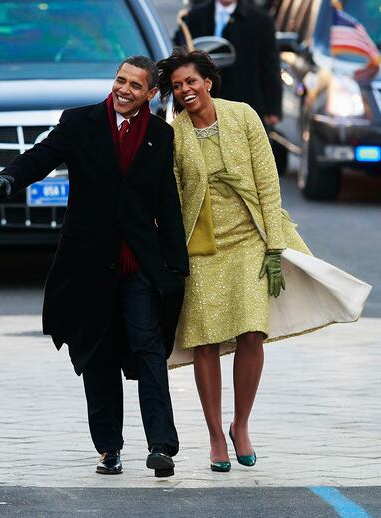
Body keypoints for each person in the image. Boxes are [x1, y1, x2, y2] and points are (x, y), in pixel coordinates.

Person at [157, 48, 371, 473]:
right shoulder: (174, 133)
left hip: (250, 238)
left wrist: (274, 246)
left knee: (252, 333)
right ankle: (216, 434)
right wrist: (171, 253)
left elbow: (269, 182)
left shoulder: (243, 116)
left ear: (208, 82)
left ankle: (242, 424)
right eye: (178, 86)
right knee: (205, 341)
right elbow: (173, 195)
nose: (185, 91)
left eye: (191, 82)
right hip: (202, 247)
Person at [0, 56, 189, 478]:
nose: (123, 89)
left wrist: (175, 266)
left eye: (134, 85)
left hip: (139, 264)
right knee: (99, 354)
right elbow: (43, 155)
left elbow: (168, 201)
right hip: (90, 263)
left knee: (149, 348)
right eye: (119, 80)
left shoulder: (161, 136)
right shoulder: (80, 122)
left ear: (150, 94)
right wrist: (9, 178)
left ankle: (161, 446)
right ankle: (109, 448)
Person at [174, 0, 282, 127]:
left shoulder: (260, 21)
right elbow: (179, 56)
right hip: (203, 108)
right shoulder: (194, 16)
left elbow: (270, 66)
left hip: (245, 105)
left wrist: (273, 108)